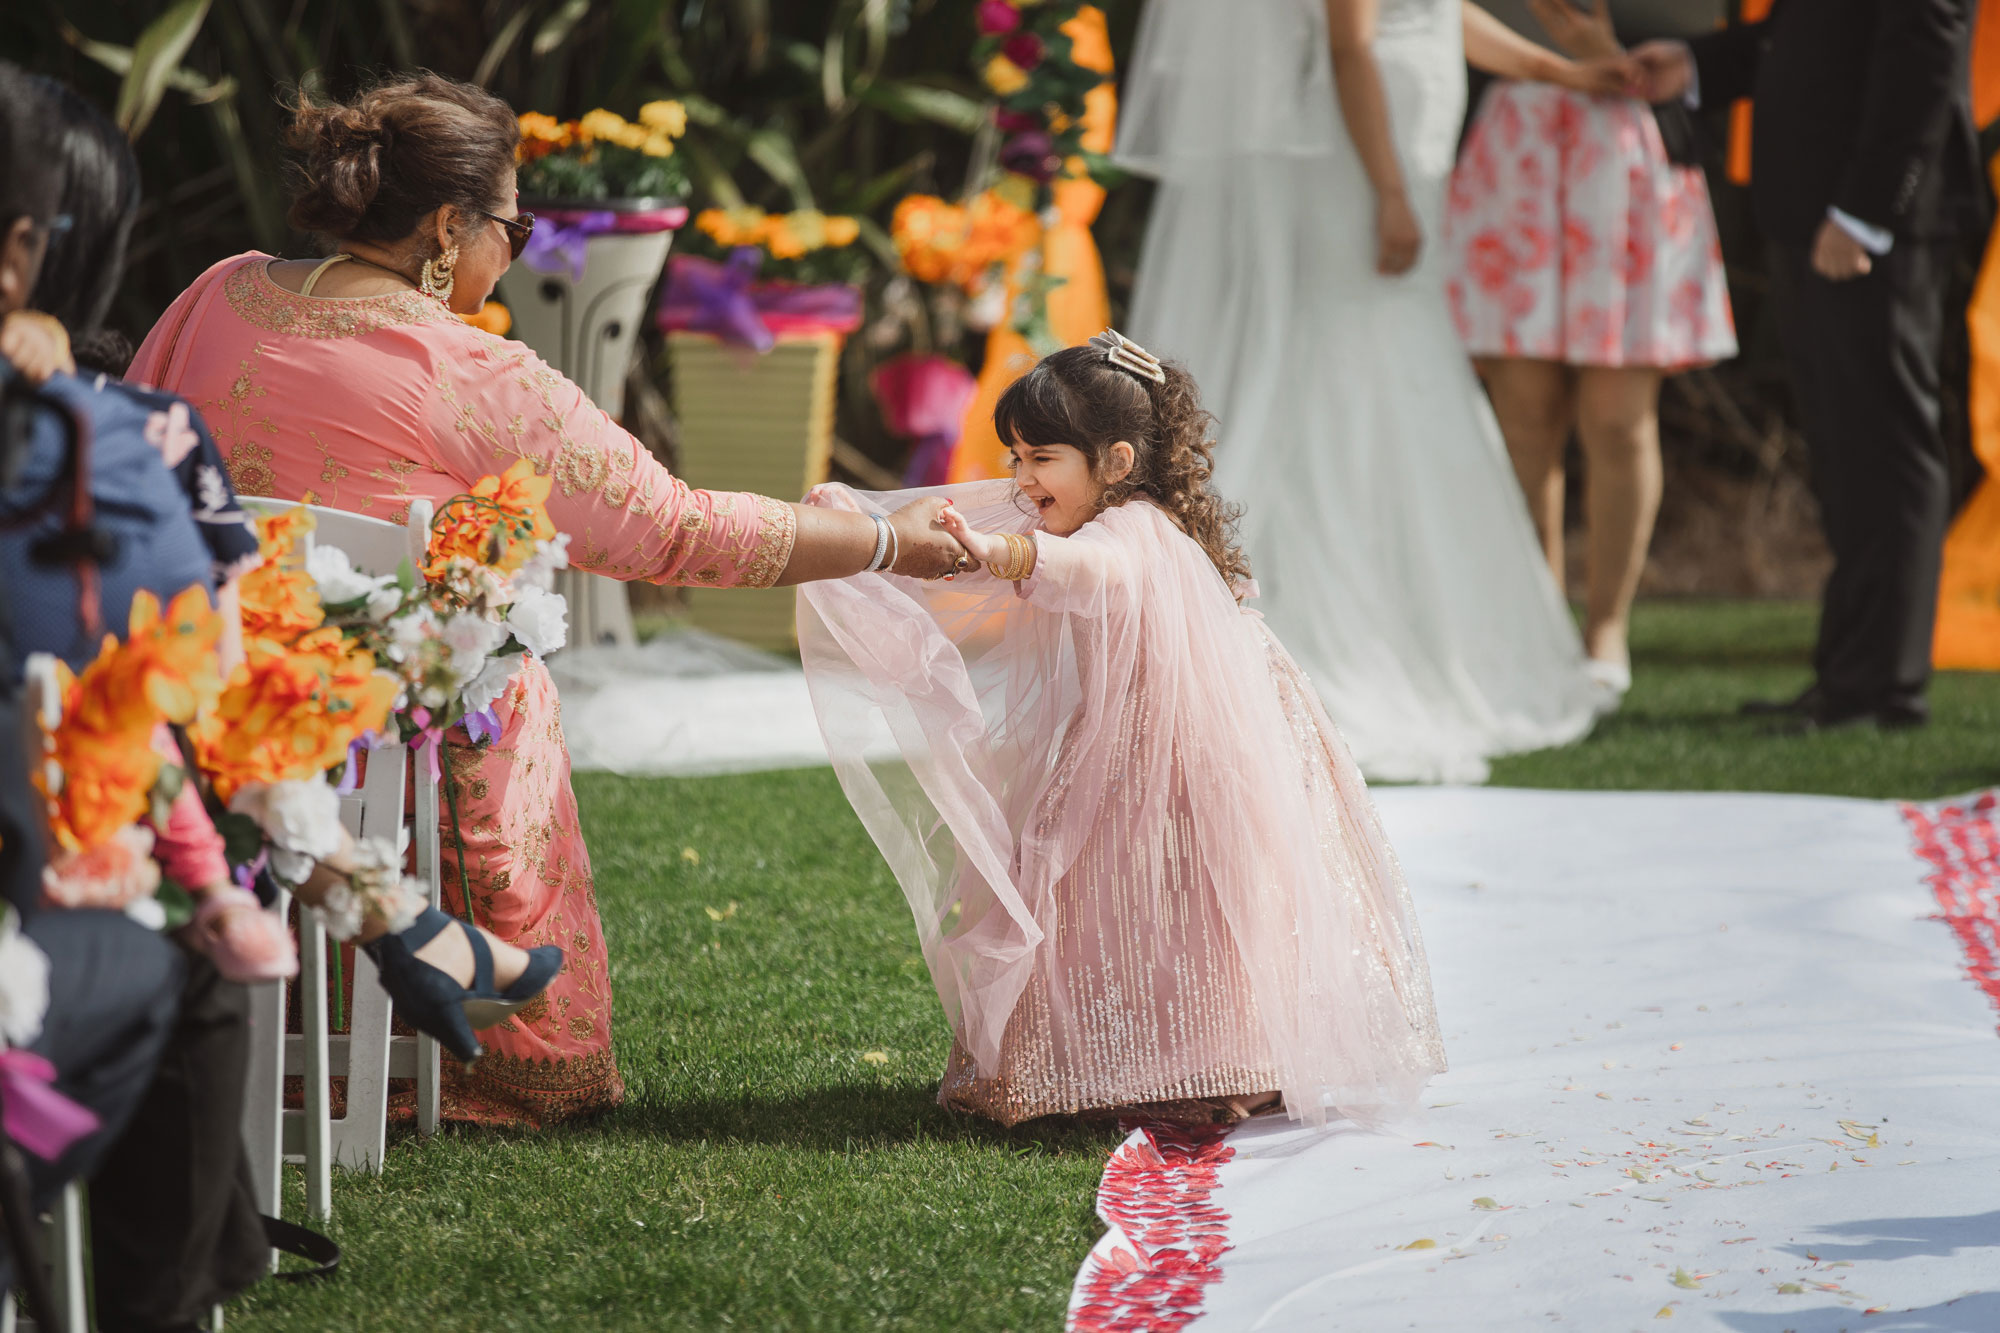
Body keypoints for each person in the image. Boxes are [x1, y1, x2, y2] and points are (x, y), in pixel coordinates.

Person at [129, 72, 969, 1125]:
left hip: (186, 707)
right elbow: (674, 531)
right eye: (511, 232)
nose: (510, 255)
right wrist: (889, 541)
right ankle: (503, 1051)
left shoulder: (213, 292)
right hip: (369, 736)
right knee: (502, 676)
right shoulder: (471, 370)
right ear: (446, 227)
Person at [798, 334, 1446, 1126]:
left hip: (1192, 741)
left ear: (1113, 461)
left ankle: (1205, 1056)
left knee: (1178, 896)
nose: (1023, 478)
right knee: (1134, 898)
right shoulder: (1088, 511)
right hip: (1151, 727)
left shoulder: (1131, 528)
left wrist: (998, 550)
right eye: (1016, 458)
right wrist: (868, 532)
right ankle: (1148, 1050)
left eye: (1041, 457)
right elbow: (981, 545)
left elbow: (1080, 569)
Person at [1115, 0, 1625, 784]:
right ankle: (1339, 625)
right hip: (1363, 152)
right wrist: (1387, 189)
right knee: (1356, 354)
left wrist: (1557, 70)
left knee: (1405, 350)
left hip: (1403, 141)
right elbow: (1352, 44)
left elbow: (1436, 12)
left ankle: (1425, 624)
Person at [1629, 2, 1980, 731]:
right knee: (1847, 449)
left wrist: (1866, 211)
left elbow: (1928, 46)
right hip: (1811, 207)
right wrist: (1696, 67)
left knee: (1887, 446)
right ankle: (1850, 675)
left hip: (1865, 222)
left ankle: (1885, 687)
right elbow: (1805, 32)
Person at [1445, 0, 1737, 696]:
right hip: (1516, 142)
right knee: (1526, 414)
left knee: (1617, 415)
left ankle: (1607, 624)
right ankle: (1532, 620)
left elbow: (1700, 26)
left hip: (1630, 146)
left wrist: (1606, 44)